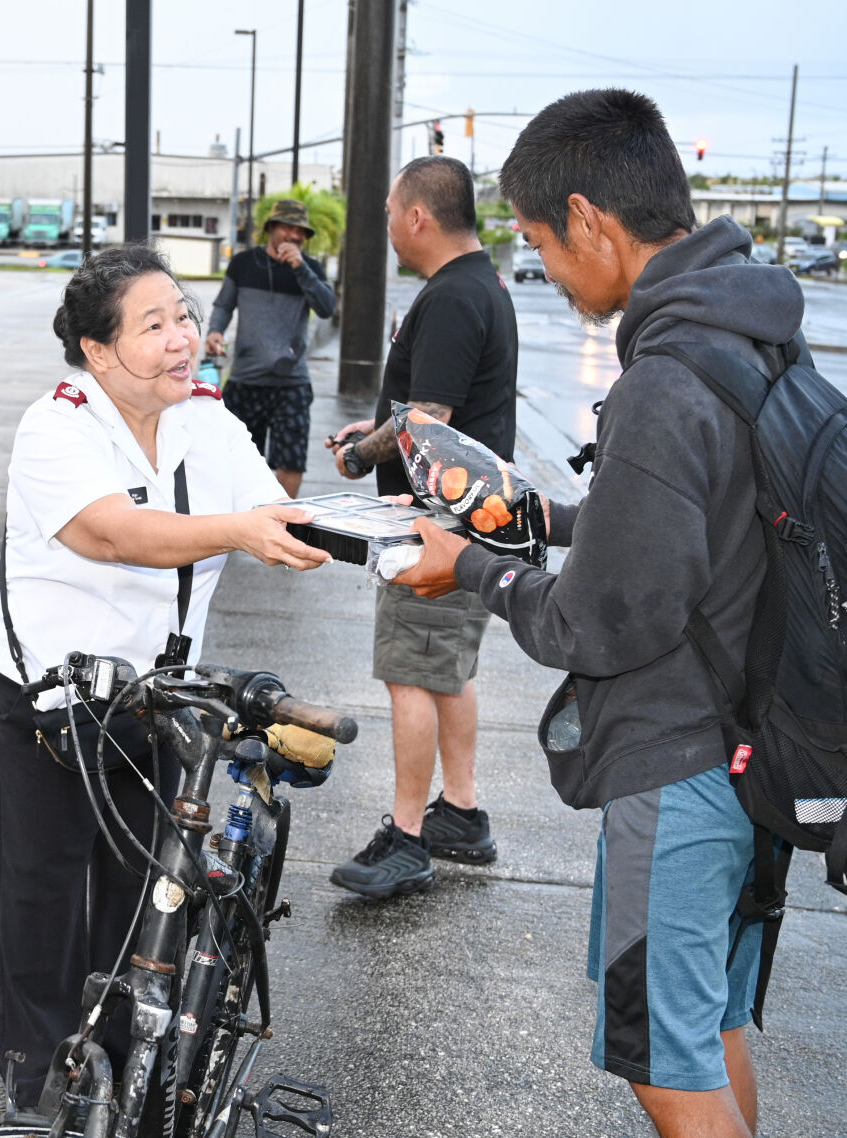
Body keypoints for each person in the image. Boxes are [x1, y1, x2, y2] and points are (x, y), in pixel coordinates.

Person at [395, 89, 802, 1138]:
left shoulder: (666, 376)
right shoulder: (745, 331)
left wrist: (473, 570)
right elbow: (702, 516)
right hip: (754, 750)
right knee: (706, 1029)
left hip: (676, 765)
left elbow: (595, 624)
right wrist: (552, 516)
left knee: (660, 1063)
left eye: (536, 239)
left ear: (585, 219)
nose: (546, 266)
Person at [0, 245, 329, 1112]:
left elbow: (273, 512)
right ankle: (37, 1090)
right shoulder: (55, 425)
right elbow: (111, 533)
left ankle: (124, 1079)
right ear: (98, 352)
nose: (185, 339)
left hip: (158, 700)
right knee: (41, 897)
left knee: (145, 892)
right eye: (155, 324)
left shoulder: (205, 417)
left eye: (184, 316)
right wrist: (240, 532)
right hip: (49, 700)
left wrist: (390, 529)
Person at [323, 155, 518, 899]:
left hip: (438, 525)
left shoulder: (450, 298)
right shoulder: (481, 285)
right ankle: (460, 814)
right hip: (471, 519)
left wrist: (358, 456)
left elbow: (429, 418)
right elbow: (429, 409)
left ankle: (407, 839)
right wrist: (375, 430)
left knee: (412, 671)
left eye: (388, 214)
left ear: (417, 217)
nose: (389, 230)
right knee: (446, 672)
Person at [205, 199, 338, 497]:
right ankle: (242, 526)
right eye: (289, 227)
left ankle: (285, 529)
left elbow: (328, 308)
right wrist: (215, 331)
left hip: (291, 384)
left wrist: (301, 268)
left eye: (301, 231)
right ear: (271, 229)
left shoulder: (310, 268)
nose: (295, 235)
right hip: (245, 380)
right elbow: (224, 305)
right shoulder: (243, 264)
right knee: (235, 460)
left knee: (291, 462)